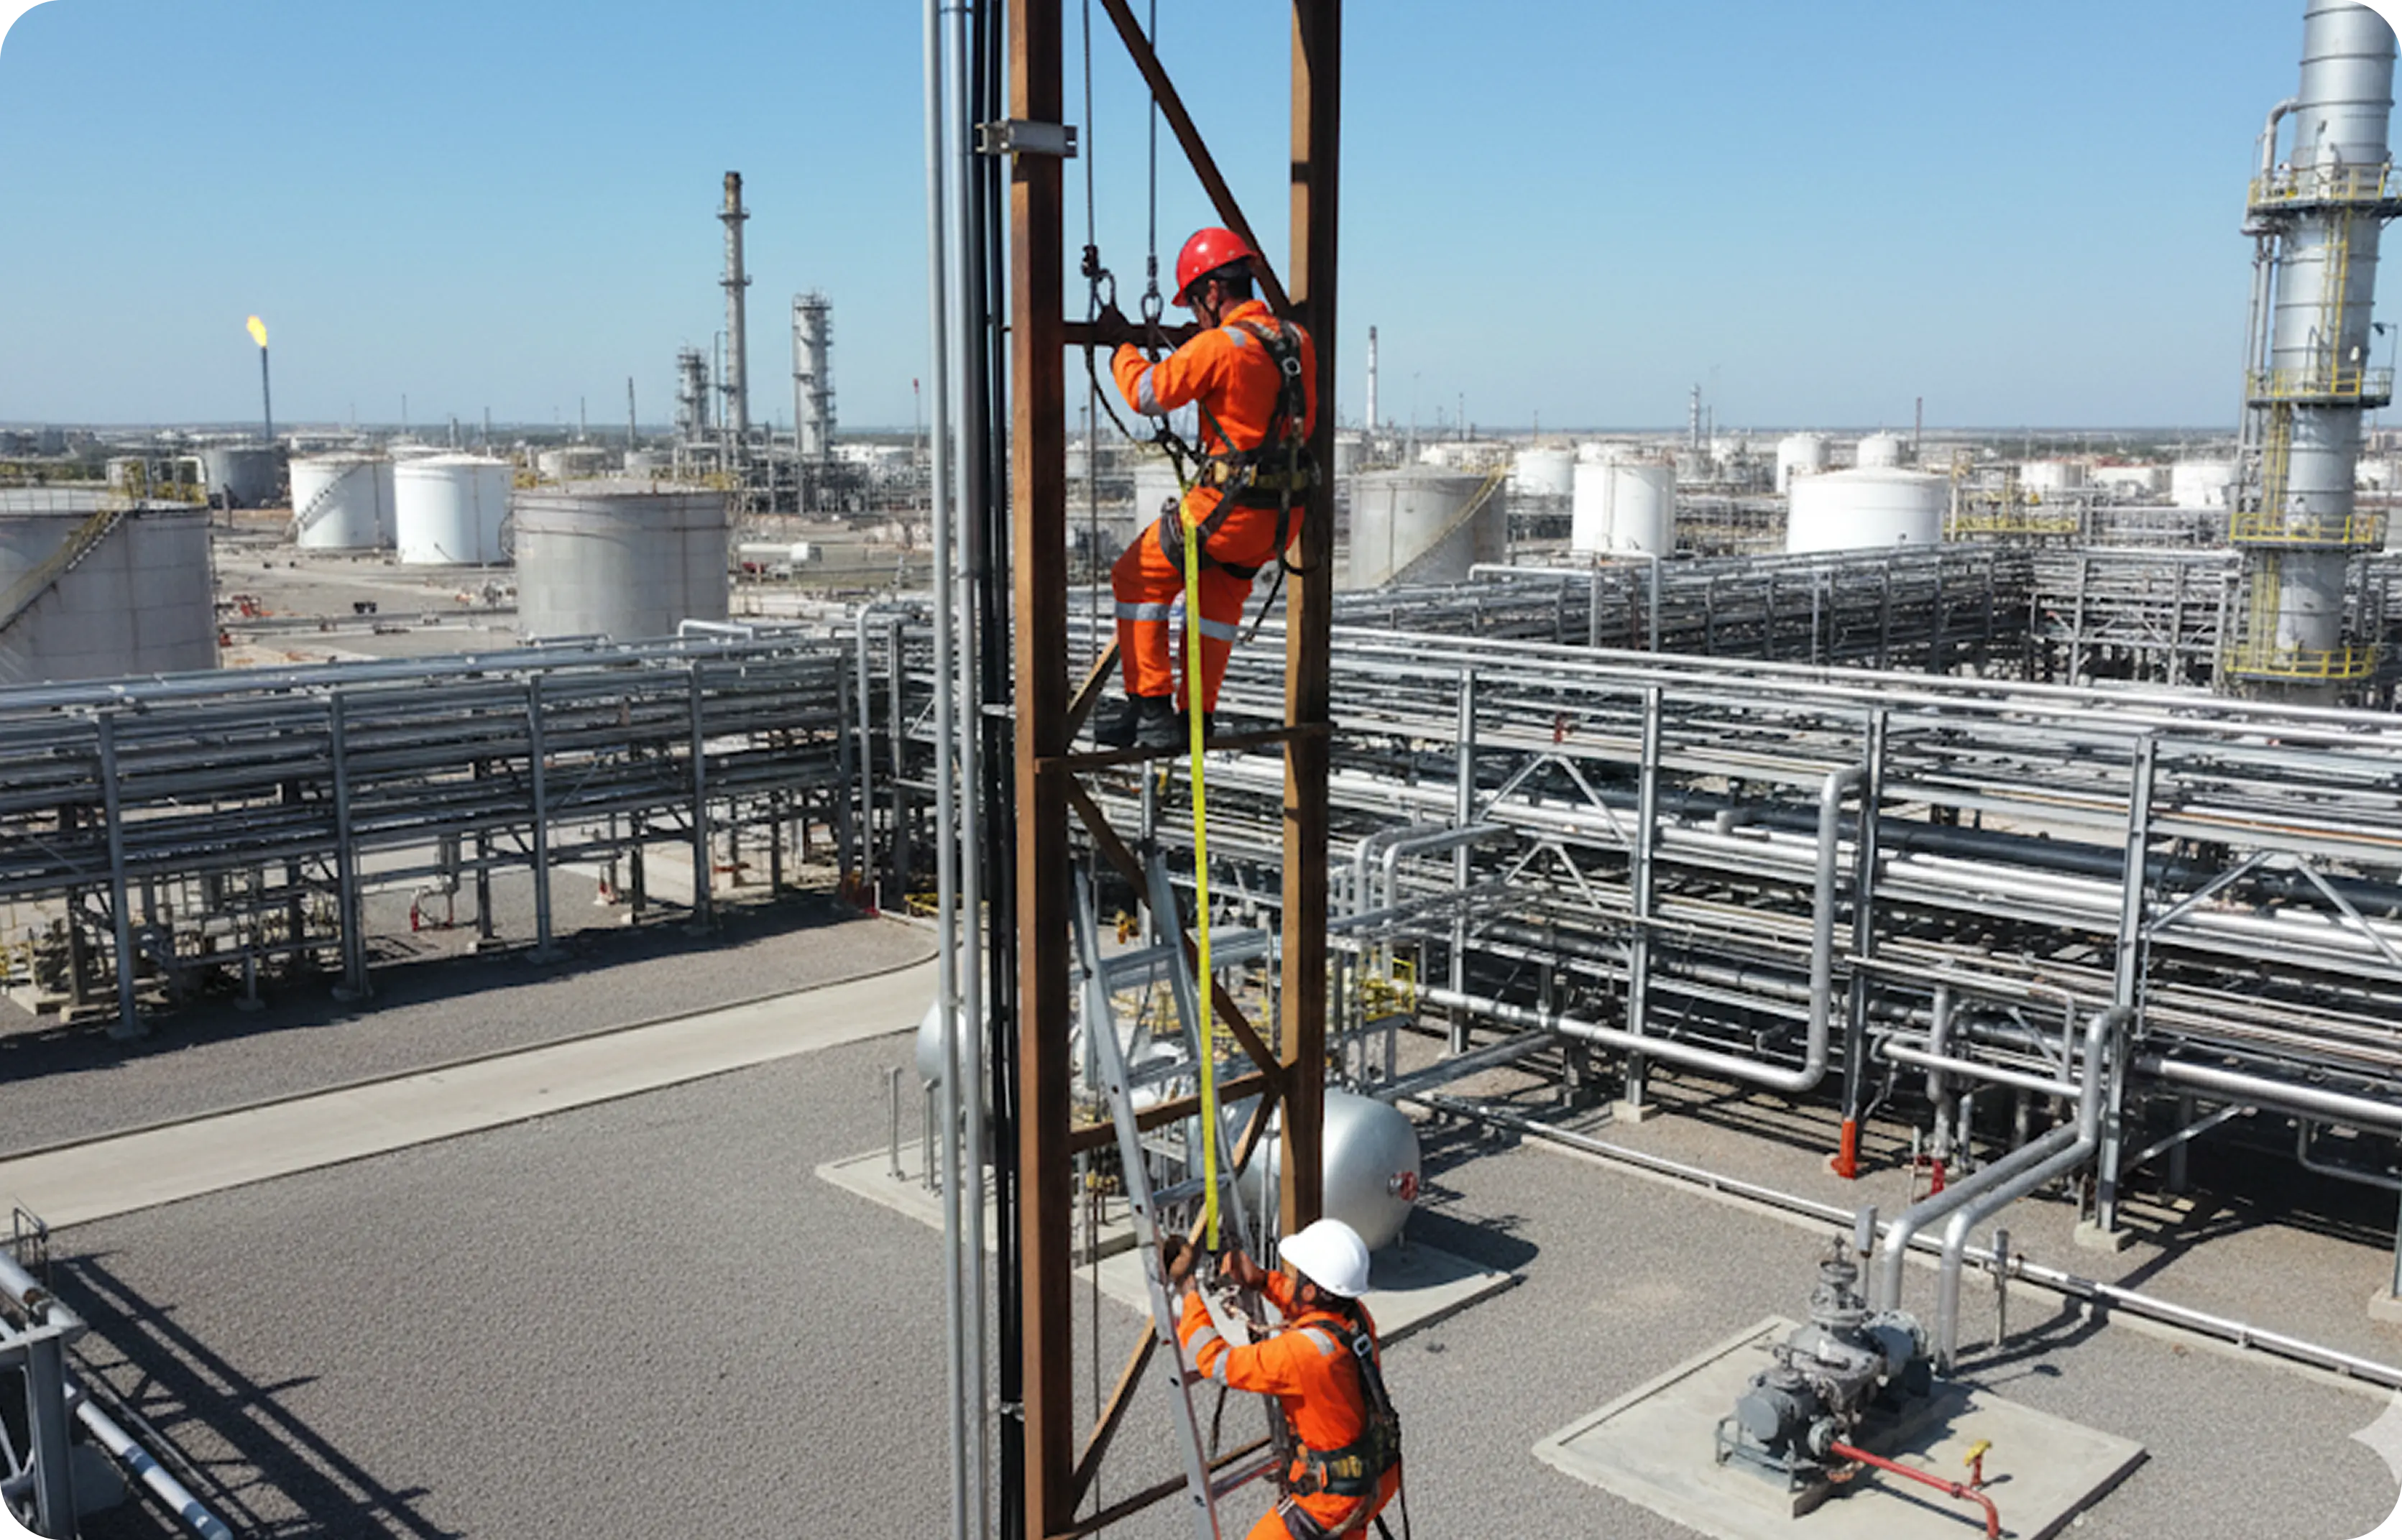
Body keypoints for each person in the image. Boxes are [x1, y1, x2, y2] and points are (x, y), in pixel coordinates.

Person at [1092, 226, 1319, 750]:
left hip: (1227, 510)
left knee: (1137, 577)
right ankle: (1197, 714)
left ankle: (1151, 710)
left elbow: (1147, 393)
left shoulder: (1218, 346)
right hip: (1281, 517)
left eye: (1196, 302)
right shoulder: (1297, 340)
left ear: (1213, 293)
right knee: (1216, 606)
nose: (1195, 314)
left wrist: (1121, 346)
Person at [1165, 1219, 1403, 1540]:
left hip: (1332, 1500)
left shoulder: (1301, 1353)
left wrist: (1189, 1292)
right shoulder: (1355, 1316)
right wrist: (1262, 1280)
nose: (1289, 1279)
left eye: (1294, 1276)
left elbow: (1215, 1361)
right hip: (1375, 1477)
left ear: (1311, 1289)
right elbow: (1306, 1303)